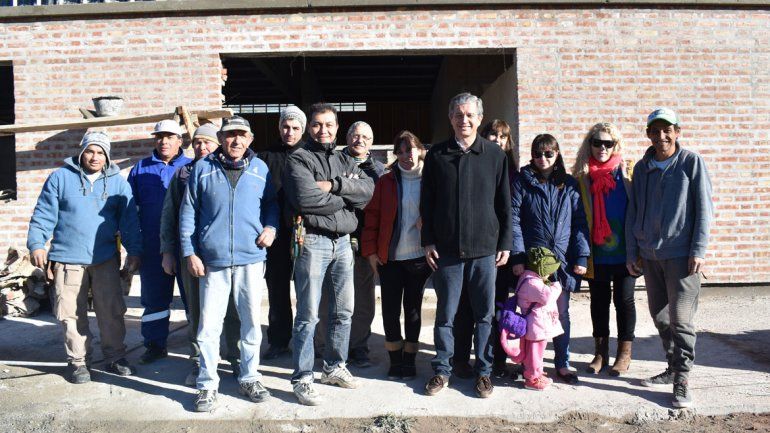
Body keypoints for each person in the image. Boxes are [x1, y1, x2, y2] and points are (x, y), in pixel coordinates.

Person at [179, 115, 279, 412]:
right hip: (214, 261)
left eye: (242, 135)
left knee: (251, 324)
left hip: (251, 259)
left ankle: (250, 377)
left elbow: (271, 204)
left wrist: (271, 227)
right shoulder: (203, 168)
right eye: (230, 134)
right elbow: (188, 212)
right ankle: (207, 385)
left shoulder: (260, 168)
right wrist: (190, 252)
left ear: (250, 139)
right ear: (221, 138)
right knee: (209, 326)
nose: (236, 140)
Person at [27, 131, 141, 383]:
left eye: (101, 152)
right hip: (67, 258)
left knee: (111, 311)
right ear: (81, 152)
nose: (95, 157)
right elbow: (43, 214)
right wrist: (37, 244)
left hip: (104, 258)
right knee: (71, 313)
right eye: (90, 151)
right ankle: (78, 362)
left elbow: (129, 221)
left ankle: (115, 356)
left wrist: (134, 251)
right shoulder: (60, 178)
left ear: (107, 156)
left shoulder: (118, 183)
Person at [421, 93, 512, 399]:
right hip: (446, 251)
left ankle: (484, 372)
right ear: (450, 118)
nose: (464, 120)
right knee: (446, 315)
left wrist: (505, 242)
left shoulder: (494, 155)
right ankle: (442, 370)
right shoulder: (437, 155)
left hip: (485, 250)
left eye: (470, 115)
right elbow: (427, 202)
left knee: (485, 316)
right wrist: (428, 240)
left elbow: (504, 204)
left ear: (479, 118)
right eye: (459, 115)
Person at [283, 103, 374, 406]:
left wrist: (334, 186)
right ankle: (302, 378)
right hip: (313, 241)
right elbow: (305, 199)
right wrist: (345, 199)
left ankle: (334, 367)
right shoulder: (299, 158)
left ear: (337, 127)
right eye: (317, 124)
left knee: (343, 311)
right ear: (309, 127)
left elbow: (368, 190)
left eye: (329, 124)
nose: (323, 130)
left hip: (343, 243)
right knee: (308, 315)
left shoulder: (344, 159)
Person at [627, 108, 712, 409]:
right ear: (648, 134)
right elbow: (633, 211)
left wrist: (698, 249)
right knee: (660, 316)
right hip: (650, 256)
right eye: (655, 131)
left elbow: (704, 208)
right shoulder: (642, 168)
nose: (661, 136)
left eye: (667, 130)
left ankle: (682, 380)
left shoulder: (691, 163)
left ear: (677, 131)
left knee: (681, 320)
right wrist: (633, 252)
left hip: (682, 256)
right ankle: (672, 367)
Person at [159, 123, 241, 386]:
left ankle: (236, 357)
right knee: (196, 310)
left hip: (224, 253)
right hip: (192, 253)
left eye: (207, 142)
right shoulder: (183, 173)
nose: (202, 147)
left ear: (218, 144)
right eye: (197, 142)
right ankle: (198, 360)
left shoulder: (230, 169)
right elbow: (169, 215)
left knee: (231, 308)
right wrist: (168, 251)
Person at [511, 133, 590, 385]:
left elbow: (579, 222)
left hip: (562, 260)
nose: (543, 158)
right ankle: (530, 363)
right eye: (538, 153)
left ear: (557, 154)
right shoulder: (522, 182)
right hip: (534, 261)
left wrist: (582, 256)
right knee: (532, 313)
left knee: (561, 314)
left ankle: (562, 363)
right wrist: (518, 256)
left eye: (548, 153)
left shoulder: (569, 184)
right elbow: (514, 221)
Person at [452, 119, 520, 379]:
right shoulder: (475, 162)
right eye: (493, 135)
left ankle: (496, 360)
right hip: (474, 247)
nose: (497, 140)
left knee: (498, 308)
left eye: (503, 137)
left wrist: (507, 245)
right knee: (466, 306)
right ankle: (461, 358)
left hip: (501, 250)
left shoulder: (515, 174)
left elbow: (511, 213)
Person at [361, 130, 431, 380]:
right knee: (390, 311)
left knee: (412, 311)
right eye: (399, 152)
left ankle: (410, 360)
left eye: (409, 150)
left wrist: (429, 222)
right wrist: (370, 252)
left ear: (420, 150)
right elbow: (372, 217)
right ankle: (395, 360)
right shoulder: (386, 181)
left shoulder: (432, 180)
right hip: (389, 259)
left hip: (418, 258)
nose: (405, 156)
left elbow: (444, 211)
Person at [316, 121, 386, 368]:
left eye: (366, 137)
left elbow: (374, 199)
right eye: (355, 135)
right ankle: (324, 345)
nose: (360, 140)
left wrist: (345, 190)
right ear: (347, 137)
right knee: (329, 296)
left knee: (363, 299)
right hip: (334, 237)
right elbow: (325, 194)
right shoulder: (333, 161)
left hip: (366, 242)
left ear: (372, 142)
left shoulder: (378, 170)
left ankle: (358, 346)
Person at [572, 122, 637, 376]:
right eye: (597, 142)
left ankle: (624, 354)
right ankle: (600, 353)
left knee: (624, 301)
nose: (602, 148)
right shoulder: (582, 177)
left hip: (626, 252)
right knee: (599, 302)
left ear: (615, 145)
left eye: (608, 143)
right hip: (596, 252)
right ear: (589, 145)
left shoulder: (628, 174)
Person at [128, 119, 192, 364]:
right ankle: (155, 345)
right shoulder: (141, 169)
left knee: (193, 299)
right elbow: (130, 210)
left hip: (186, 245)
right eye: (159, 137)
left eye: (169, 137)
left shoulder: (191, 166)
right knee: (155, 299)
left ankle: (198, 348)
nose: (164, 141)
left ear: (180, 140)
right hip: (152, 245)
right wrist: (134, 247)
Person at [258, 105, 307, 361]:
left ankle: (308, 341)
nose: (290, 132)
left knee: (307, 291)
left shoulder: (311, 154)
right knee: (277, 290)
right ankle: (278, 340)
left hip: (305, 234)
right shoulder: (265, 157)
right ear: (279, 128)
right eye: (285, 127)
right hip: (275, 233)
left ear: (303, 129)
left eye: (295, 128)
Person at [501, 247, 564, 391]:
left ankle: (537, 373)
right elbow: (548, 296)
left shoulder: (531, 278)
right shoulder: (532, 283)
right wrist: (556, 285)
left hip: (538, 325)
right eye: (549, 272)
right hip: (536, 326)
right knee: (534, 354)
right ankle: (532, 379)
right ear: (541, 270)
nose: (550, 275)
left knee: (537, 353)